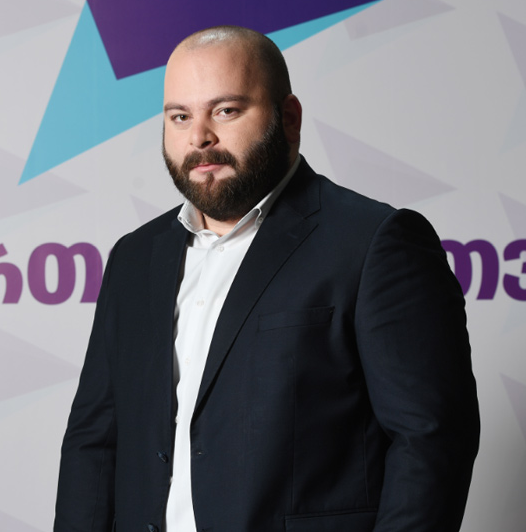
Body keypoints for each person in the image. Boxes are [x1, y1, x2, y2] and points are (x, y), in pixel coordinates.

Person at [54, 26, 480, 532]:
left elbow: (430, 439)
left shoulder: (374, 243)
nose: (199, 137)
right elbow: (94, 441)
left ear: (289, 117)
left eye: (226, 110)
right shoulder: (134, 257)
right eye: (180, 116)